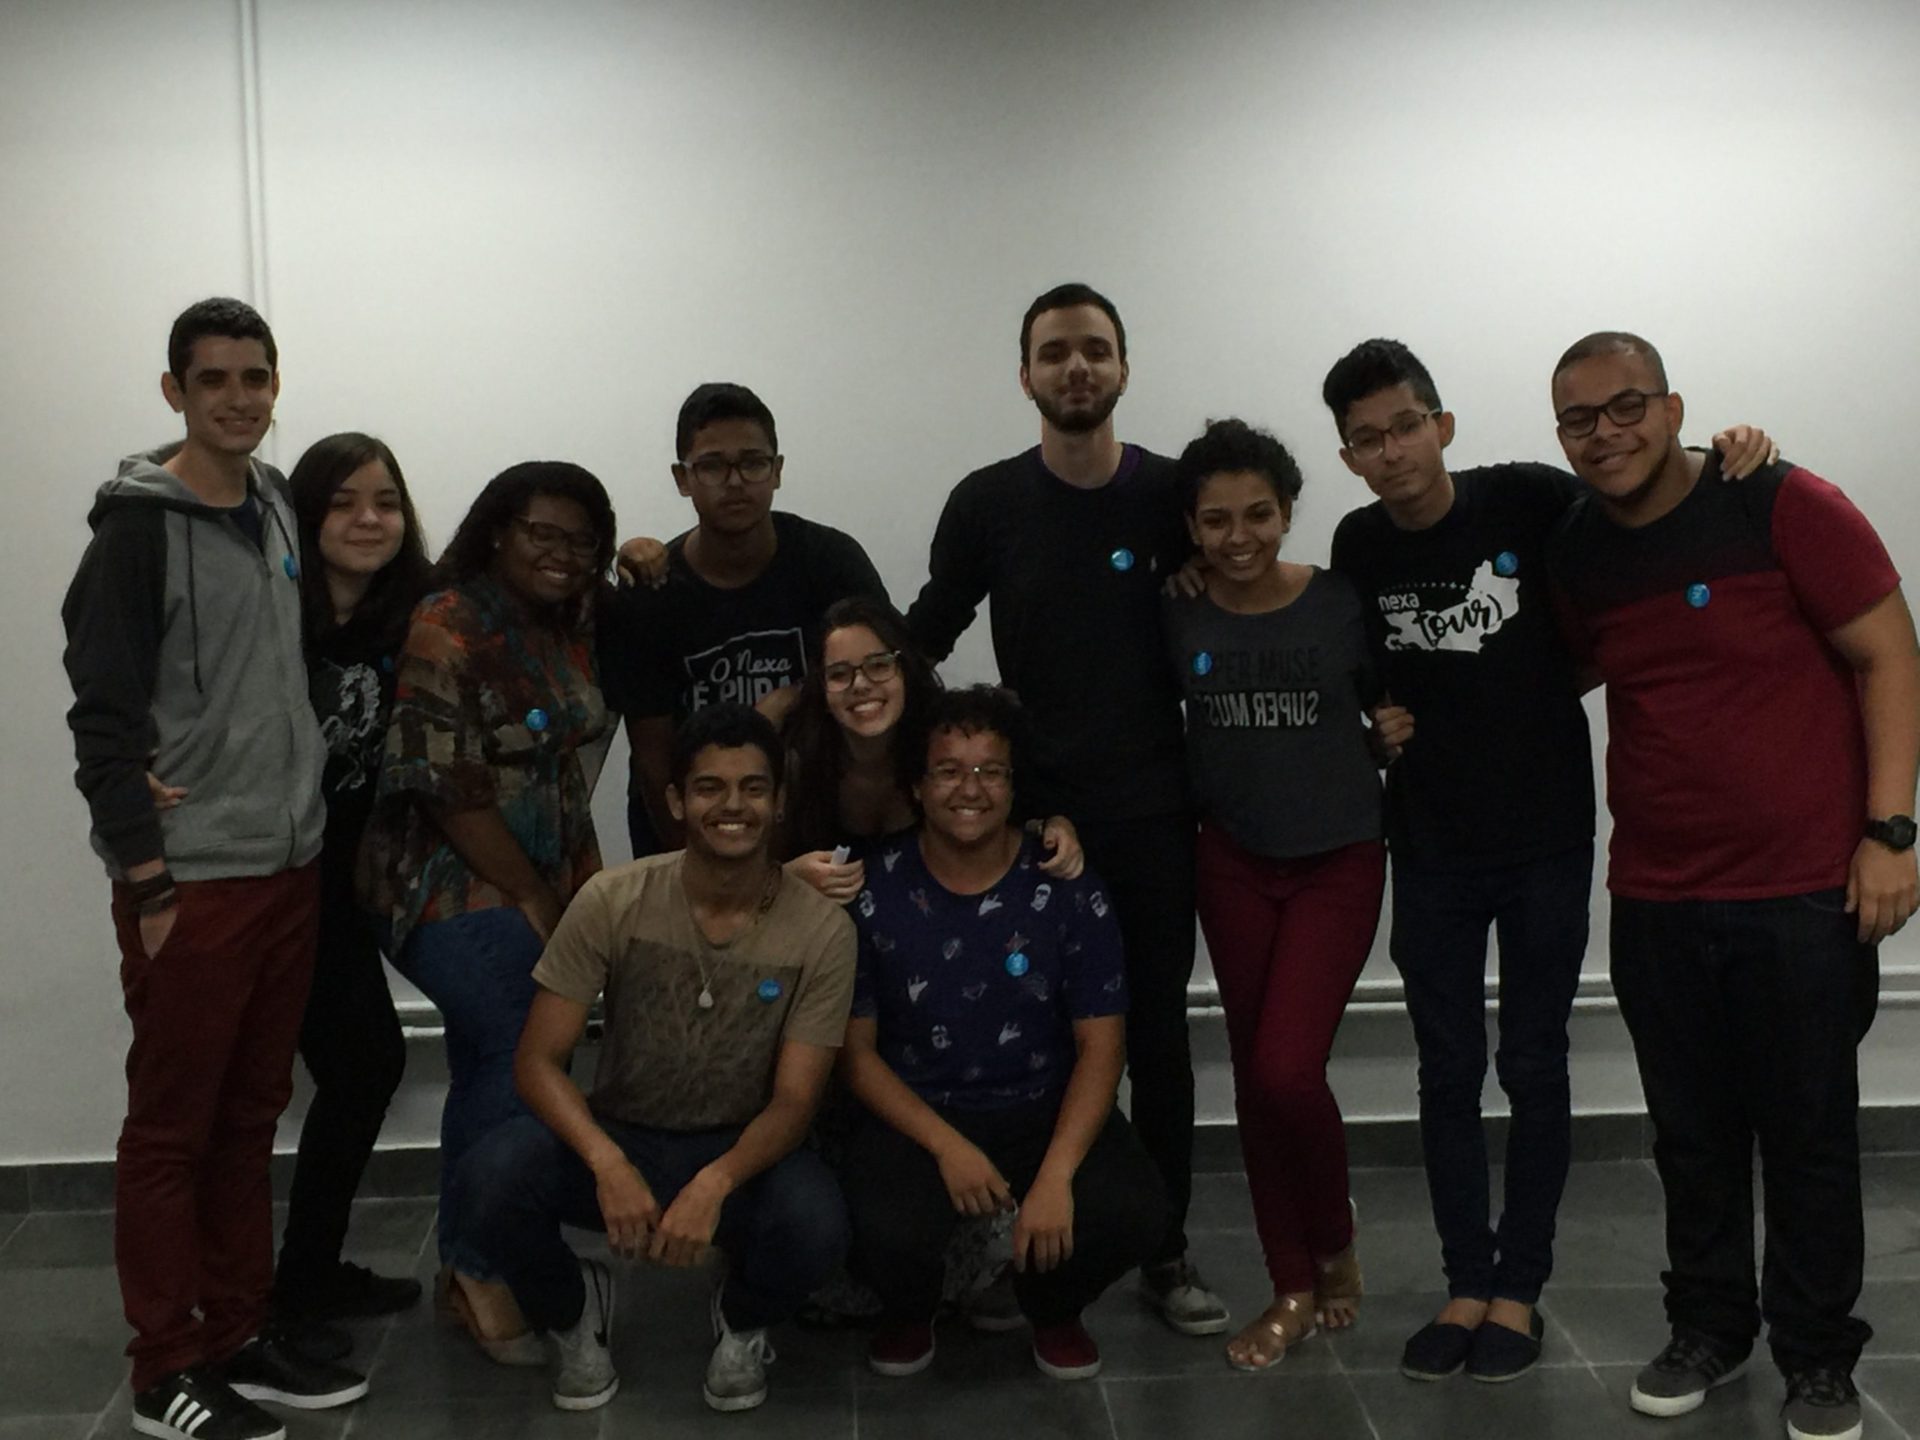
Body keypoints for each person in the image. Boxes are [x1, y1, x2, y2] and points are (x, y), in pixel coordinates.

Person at [1322, 338, 1778, 1383]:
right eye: (1366, 440)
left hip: (1544, 839)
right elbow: (1359, 678)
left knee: (1533, 1063)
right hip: (1430, 845)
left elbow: (1643, 496)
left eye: (1405, 427)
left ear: (1441, 426)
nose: (1392, 452)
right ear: (1348, 458)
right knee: (1446, 1071)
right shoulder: (1358, 544)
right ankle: (1464, 1280)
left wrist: (1730, 453)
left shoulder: (1529, 499)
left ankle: (1519, 1288)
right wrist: (1372, 728)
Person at [1545, 331, 1918, 1440]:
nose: (1605, 434)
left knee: (1808, 1137)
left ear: (1673, 410)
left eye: (1627, 407)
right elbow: (1569, 672)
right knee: (1691, 1139)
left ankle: (1818, 1355)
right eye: (1578, 419)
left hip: (1801, 893)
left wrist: (1891, 832)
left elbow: (1892, 655)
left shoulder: (1781, 503)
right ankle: (1707, 1328)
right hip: (1657, 896)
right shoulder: (1579, 550)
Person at [61, 297, 367, 1440]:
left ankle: (237, 1331)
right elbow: (101, 717)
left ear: (275, 385)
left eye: (255, 377)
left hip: (288, 863)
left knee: (250, 1117)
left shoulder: (276, 500)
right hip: (190, 882)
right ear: (174, 392)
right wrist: (144, 878)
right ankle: (165, 1367)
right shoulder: (137, 532)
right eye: (214, 380)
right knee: (171, 1130)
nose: (238, 398)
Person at [906, 283, 1224, 1334]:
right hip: (1028, 818)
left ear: (1124, 366)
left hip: (1154, 810)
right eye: (1055, 352)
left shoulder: (1176, 495)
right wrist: (858, 715)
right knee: (1029, 1028)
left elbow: (1254, 587)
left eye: (1094, 349)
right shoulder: (987, 503)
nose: (1076, 367)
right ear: (1026, 376)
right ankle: (1018, 1231)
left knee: (1157, 1034)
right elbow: (926, 634)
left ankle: (1163, 1247)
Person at [461, 704, 857, 1413]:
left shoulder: (823, 931)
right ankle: (573, 1311)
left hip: (741, 1149)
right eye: (709, 787)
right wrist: (607, 1163)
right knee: (488, 1178)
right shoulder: (612, 900)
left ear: (779, 803)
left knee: (817, 1226)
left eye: (753, 788)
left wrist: (715, 1182)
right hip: (622, 1134)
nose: (732, 806)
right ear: (676, 801)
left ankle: (741, 1319)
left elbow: (796, 1102)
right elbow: (537, 1063)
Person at [359, 460, 617, 1362]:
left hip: (535, 878)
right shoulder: (449, 621)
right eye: (542, 532)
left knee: (485, 1064)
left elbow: (568, 770)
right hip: (439, 881)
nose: (562, 552)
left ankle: (462, 1268)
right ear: (499, 531)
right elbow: (444, 789)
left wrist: (583, 894)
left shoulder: (570, 623)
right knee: (519, 1047)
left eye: (581, 540)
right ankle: (481, 1265)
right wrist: (535, 895)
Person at [841, 685, 1168, 1380]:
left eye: (991, 771)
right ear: (917, 785)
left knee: (1135, 1211)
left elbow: (1102, 1046)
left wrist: (1055, 1176)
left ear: (1016, 786)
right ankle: (912, 1306)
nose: (971, 789)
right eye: (949, 771)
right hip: (919, 1112)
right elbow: (857, 1056)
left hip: (1040, 1104)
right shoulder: (873, 889)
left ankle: (1048, 1303)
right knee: (881, 1223)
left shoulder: (1066, 884)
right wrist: (947, 1146)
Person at [1161, 419, 1386, 1369]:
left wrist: (1391, 732)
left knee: (1289, 1070)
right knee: (1258, 1081)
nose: (1239, 536)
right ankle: (1291, 1283)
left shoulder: (1339, 601)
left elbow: (1395, 702)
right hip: (1232, 861)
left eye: (1258, 514)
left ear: (1289, 510)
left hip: (1338, 858)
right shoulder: (1176, 610)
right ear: (1191, 528)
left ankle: (1334, 1242)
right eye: (1216, 520)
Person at [266, 434, 432, 1337]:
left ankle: (306, 1275)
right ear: (304, 514)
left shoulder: (411, 614)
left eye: (387, 502)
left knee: (362, 1065)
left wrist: (636, 558)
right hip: (270, 876)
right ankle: (282, 1290)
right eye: (343, 502)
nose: (369, 520)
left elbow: (515, 583)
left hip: (344, 881)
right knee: (355, 1064)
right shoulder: (269, 614)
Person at [600, 381, 888, 855]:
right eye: (713, 466)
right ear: (682, 478)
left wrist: (791, 700)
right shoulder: (652, 595)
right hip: (688, 834)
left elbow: (885, 678)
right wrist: (692, 871)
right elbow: (653, 760)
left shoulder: (830, 562)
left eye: (753, 462)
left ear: (777, 471)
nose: (735, 482)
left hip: (817, 827)